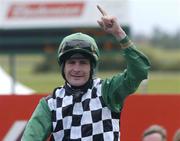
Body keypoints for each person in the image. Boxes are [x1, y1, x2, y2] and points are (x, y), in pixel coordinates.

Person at [22, 5, 150, 141]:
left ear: (91, 67)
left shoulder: (107, 91)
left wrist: (118, 33)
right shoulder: (50, 104)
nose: (77, 69)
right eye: (71, 62)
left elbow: (140, 70)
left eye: (83, 63)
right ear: (63, 67)